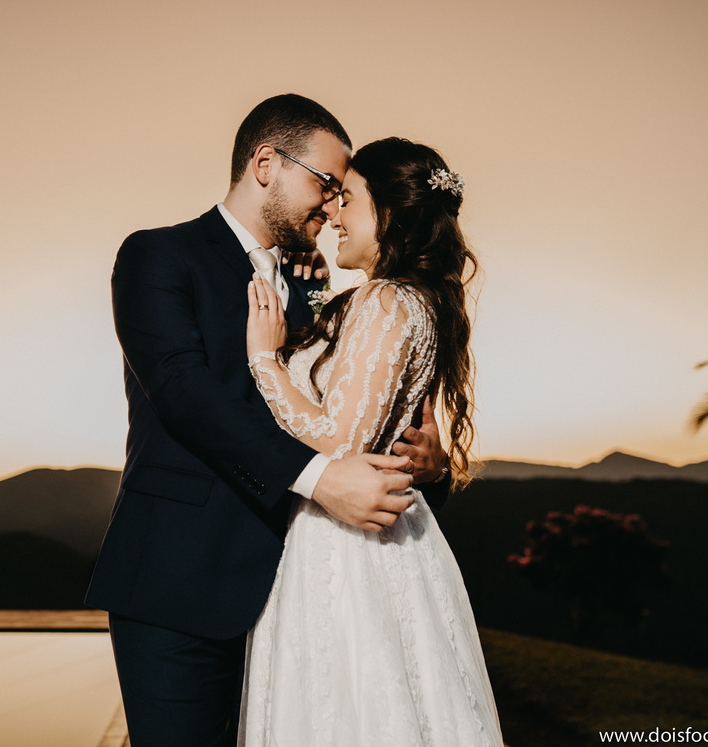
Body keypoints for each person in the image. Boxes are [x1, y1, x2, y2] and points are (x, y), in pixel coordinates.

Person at [86, 96, 453, 747]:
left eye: (342, 192)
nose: (333, 205)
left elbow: (356, 410)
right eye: (326, 183)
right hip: (182, 585)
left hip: (302, 595)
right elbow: (183, 393)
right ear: (266, 165)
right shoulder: (159, 256)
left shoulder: (324, 288)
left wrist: (429, 464)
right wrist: (319, 479)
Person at [239, 137, 503, 745]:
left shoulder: (385, 302)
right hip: (389, 538)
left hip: (342, 544)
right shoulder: (415, 301)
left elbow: (337, 442)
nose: (334, 212)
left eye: (349, 198)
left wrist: (265, 361)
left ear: (388, 213)